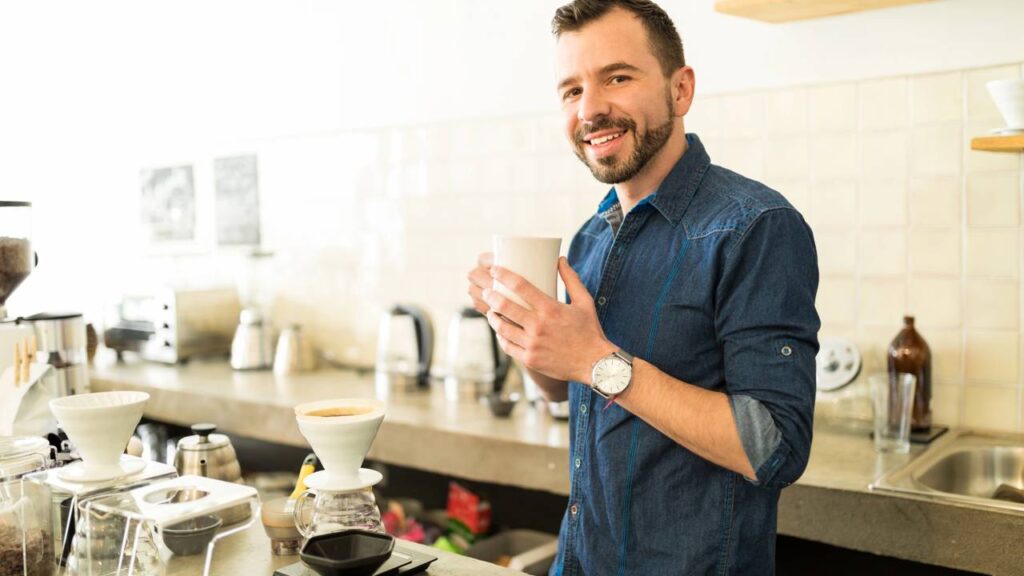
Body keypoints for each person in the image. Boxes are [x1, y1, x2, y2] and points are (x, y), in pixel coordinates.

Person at [466, 0, 820, 573]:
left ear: (680, 91)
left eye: (618, 78)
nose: (591, 109)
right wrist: (519, 328)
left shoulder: (755, 227)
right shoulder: (590, 237)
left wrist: (596, 358)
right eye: (571, 90)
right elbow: (563, 390)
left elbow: (774, 446)